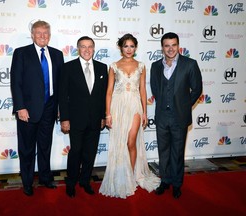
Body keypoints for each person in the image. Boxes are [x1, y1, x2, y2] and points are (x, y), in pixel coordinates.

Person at [99, 33, 160, 199]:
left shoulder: (141, 66)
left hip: (134, 105)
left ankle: (132, 174)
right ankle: (123, 175)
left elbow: (142, 90)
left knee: (130, 140)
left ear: (135, 48)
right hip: (117, 106)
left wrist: (145, 112)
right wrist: (108, 113)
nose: (129, 49)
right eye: (126, 46)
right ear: (121, 47)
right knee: (120, 142)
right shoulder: (113, 66)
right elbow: (109, 92)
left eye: (132, 46)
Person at [10, 20, 64, 196]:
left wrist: (59, 107)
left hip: (50, 108)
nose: (42, 36)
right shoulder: (21, 53)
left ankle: (45, 178)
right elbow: (16, 82)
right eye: (39, 33)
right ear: (32, 35)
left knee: (45, 146)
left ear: (50, 35)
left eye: (46, 33)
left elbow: (60, 84)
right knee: (26, 148)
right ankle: (27, 182)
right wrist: (20, 107)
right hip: (28, 110)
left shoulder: (57, 54)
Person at [150, 32, 202, 199]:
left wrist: (185, 106)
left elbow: (197, 89)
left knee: (177, 152)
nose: (170, 49)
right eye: (167, 45)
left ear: (178, 46)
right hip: (162, 116)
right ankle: (165, 181)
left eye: (173, 45)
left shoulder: (190, 64)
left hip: (179, 115)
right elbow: (155, 89)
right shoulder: (155, 65)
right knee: (163, 151)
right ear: (162, 47)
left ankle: (177, 184)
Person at [59, 36, 108, 198]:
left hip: (95, 119)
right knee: (76, 152)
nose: (87, 50)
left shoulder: (102, 68)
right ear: (77, 49)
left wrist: (102, 116)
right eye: (83, 47)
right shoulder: (68, 68)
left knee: (90, 152)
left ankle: (85, 181)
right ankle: (71, 182)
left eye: (90, 47)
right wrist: (64, 119)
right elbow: (62, 96)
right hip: (75, 119)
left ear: (94, 49)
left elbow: (102, 96)